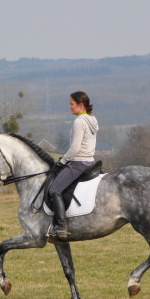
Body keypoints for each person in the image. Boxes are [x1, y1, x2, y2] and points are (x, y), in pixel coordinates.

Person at [47, 91, 99, 240]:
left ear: (80, 105)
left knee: (54, 190)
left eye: (71, 103)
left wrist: (62, 161)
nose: (69, 106)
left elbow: (75, 148)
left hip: (79, 163)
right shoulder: (92, 119)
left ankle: (61, 227)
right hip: (90, 161)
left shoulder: (79, 121)